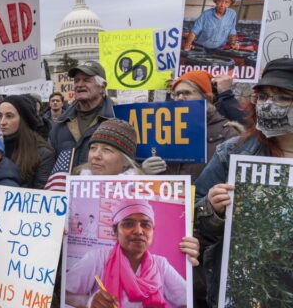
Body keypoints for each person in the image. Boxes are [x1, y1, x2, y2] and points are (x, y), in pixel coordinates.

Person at [65, 119, 200, 308]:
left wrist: (188, 255)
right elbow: (64, 292)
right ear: (115, 230)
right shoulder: (96, 258)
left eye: (106, 150)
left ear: (124, 160)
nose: (96, 155)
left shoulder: (161, 265)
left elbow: (188, 299)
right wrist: (89, 302)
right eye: (93, 148)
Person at [194, 58, 293, 307]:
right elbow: (193, 217)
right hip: (243, 290)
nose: (270, 105)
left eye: (282, 97)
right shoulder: (233, 152)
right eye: (264, 96)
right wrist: (212, 208)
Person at [142, 70, 242, 182]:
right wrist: (143, 172)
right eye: (176, 94)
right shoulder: (161, 130)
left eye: (187, 93)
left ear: (207, 97)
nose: (179, 98)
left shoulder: (228, 133)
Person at [49, 61, 115, 167]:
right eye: (76, 80)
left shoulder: (117, 120)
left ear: (102, 87)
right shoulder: (61, 123)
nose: (79, 85)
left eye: (86, 80)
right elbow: (49, 165)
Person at [0, 95, 55, 189]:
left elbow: (40, 194)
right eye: (0, 116)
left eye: (9, 116)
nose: (2, 122)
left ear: (24, 119)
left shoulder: (43, 154)